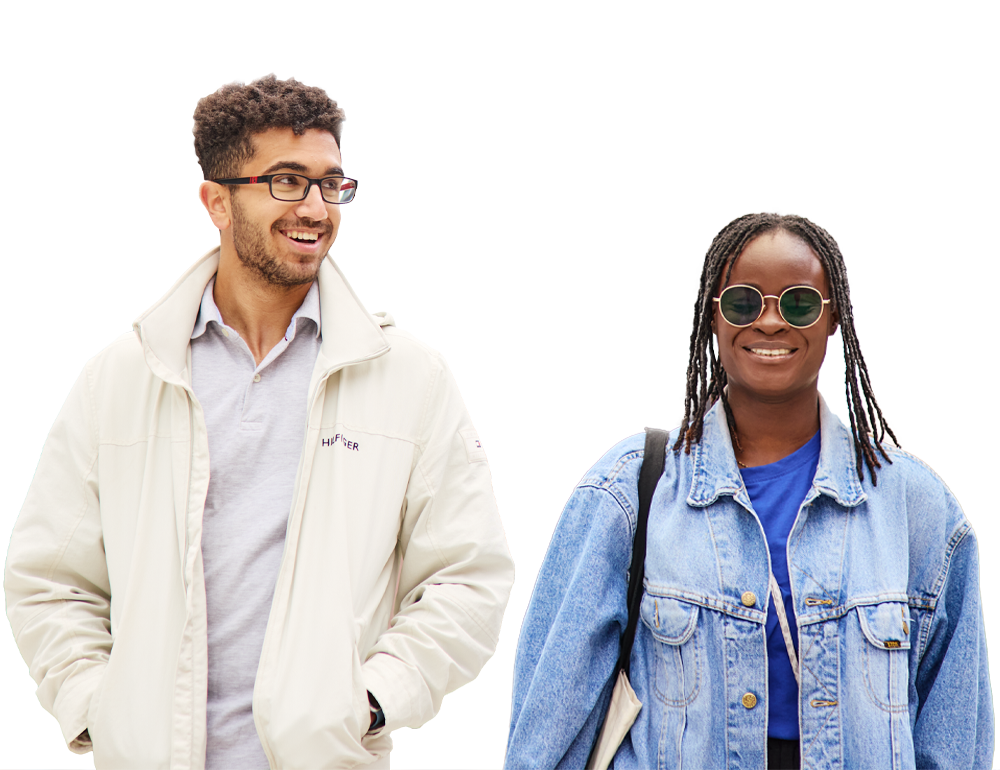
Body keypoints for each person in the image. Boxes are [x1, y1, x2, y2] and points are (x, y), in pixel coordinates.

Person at [4, 74, 514, 770]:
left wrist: (369, 701)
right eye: (286, 181)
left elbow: (469, 577)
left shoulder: (409, 380)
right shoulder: (121, 378)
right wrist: (98, 707)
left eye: (331, 183)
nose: (315, 207)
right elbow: (48, 579)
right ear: (216, 200)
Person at [504, 212, 993, 769]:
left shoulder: (917, 509)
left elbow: (956, 741)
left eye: (798, 303)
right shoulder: (627, 494)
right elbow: (549, 722)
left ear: (833, 319)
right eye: (742, 303)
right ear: (711, 318)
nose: (769, 323)